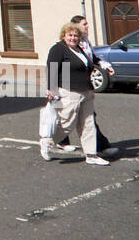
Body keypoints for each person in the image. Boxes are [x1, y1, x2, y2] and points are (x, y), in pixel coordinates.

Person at [43, 23, 109, 165]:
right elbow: (52, 68)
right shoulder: (58, 49)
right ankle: (47, 141)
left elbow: (88, 66)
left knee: (88, 123)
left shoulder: (79, 49)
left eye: (75, 36)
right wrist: (51, 89)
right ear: (64, 35)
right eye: (70, 35)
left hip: (86, 91)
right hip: (69, 91)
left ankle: (91, 154)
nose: (73, 38)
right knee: (67, 123)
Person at [55, 15, 120, 157]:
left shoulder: (85, 42)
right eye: (84, 24)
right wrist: (58, 89)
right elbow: (58, 68)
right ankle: (53, 140)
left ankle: (96, 148)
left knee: (87, 119)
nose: (87, 26)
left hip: (85, 85)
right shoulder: (67, 45)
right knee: (69, 117)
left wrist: (105, 65)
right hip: (71, 86)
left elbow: (93, 58)